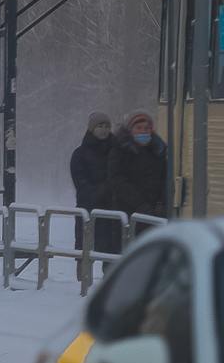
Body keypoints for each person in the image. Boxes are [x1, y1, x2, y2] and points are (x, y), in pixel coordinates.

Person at [108, 109, 168, 227]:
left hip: (155, 213)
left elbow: (164, 179)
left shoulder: (158, 151)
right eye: (139, 128)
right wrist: (140, 204)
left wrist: (161, 203)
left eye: (147, 128)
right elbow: (117, 180)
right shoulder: (120, 151)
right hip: (127, 213)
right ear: (130, 130)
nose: (143, 132)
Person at [70, 111, 118, 255]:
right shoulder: (80, 154)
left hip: (113, 212)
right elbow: (80, 182)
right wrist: (102, 191)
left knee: (111, 256)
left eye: (107, 126)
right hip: (88, 210)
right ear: (92, 128)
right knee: (85, 256)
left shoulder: (117, 151)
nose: (104, 130)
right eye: (100, 126)